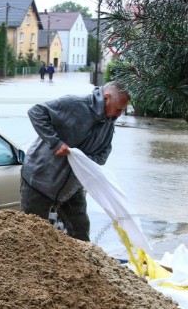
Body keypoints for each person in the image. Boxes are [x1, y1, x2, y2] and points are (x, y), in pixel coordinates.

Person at [21, 81, 131, 242]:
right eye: (119, 108)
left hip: (72, 187)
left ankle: (82, 266)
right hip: (39, 179)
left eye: (123, 109)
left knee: (80, 233)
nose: (120, 113)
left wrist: (82, 160)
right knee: (34, 234)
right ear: (106, 98)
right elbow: (36, 112)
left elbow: (103, 154)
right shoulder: (74, 104)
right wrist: (55, 142)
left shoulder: (109, 122)